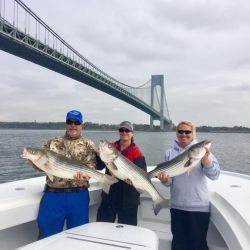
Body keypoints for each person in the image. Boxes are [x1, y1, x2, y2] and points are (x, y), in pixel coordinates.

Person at [35, 110, 98, 239]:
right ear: (66, 124)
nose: (73, 125)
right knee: (47, 236)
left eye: (77, 122)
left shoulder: (89, 144)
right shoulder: (52, 142)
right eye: (70, 122)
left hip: (78, 195)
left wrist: (86, 175)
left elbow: (91, 167)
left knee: (78, 237)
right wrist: (33, 160)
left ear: (82, 125)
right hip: (54, 194)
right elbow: (39, 167)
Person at [157, 120, 220, 250]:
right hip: (177, 207)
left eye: (187, 132)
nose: (184, 134)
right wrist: (164, 180)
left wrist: (206, 161)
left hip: (198, 208)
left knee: (198, 245)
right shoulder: (169, 153)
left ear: (193, 134)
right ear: (176, 133)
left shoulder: (203, 153)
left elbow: (215, 175)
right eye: (180, 131)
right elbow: (168, 183)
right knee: (178, 244)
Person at [96, 121, 147, 226]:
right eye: (121, 130)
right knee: (102, 229)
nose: (124, 132)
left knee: (127, 233)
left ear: (132, 133)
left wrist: (133, 181)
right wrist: (99, 155)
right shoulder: (111, 148)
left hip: (128, 199)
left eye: (127, 130)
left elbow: (142, 175)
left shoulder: (137, 153)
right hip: (109, 196)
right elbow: (99, 166)